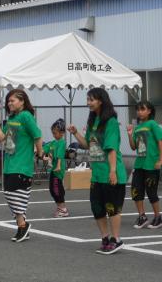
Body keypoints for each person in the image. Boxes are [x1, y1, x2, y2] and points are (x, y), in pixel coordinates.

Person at [68, 88, 127, 255]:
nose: (88, 103)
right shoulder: (93, 120)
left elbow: (112, 148)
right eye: (87, 99)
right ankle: (105, 238)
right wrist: (75, 133)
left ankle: (116, 239)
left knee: (112, 208)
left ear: (101, 100)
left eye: (91, 99)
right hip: (97, 174)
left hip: (110, 172)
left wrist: (113, 171)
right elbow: (88, 145)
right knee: (97, 208)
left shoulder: (111, 122)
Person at [0, 89, 43, 243]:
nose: (9, 103)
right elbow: (1, 137)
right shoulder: (12, 118)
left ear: (22, 101)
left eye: (12, 100)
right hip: (10, 162)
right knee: (11, 194)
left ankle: (23, 225)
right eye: (8, 101)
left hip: (22, 164)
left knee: (14, 194)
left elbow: (38, 135)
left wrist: (40, 153)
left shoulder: (26, 116)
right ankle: (22, 226)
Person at [127, 101, 162, 229]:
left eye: (143, 109)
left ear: (149, 111)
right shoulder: (137, 127)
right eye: (138, 109)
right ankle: (142, 216)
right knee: (136, 191)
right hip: (139, 164)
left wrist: (160, 160)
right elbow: (133, 147)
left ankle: (158, 217)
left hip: (151, 164)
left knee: (151, 191)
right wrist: (130, 135)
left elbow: (160, 141)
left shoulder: (152, 124)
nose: (139, 112)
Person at [44, 119, 69, 218]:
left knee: (56, 188)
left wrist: (58, 165)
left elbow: (60, 155)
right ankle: (60, 207)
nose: (54, 135)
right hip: (53, 170)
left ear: (62, 133)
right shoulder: (53, 143)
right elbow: (44, 149)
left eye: (55, 133)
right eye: (53, 133)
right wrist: (39, 151)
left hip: (58, 170)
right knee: (52, 189)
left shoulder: (61, 142)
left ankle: (63, 208)